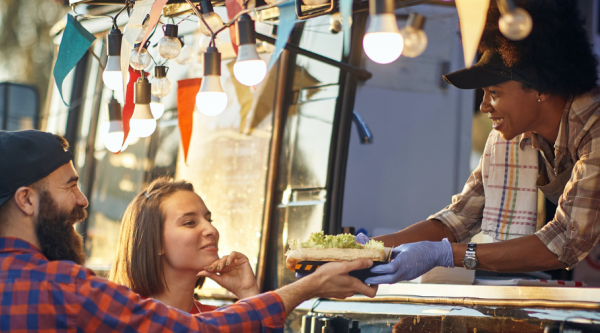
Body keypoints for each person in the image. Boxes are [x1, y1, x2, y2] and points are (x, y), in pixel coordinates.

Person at [0, 129, 377, 332]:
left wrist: (249, 295)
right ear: (26, 200)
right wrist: (308, 286)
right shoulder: (65, 289)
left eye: (208, 218)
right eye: (69, 185)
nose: (83, 201)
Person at [363, 0, 600, 285]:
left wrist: (446, 254)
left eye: (494, 92)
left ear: (542, 88)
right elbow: (458, 220)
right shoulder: (510, 138)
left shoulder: (595, 126)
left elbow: (564, 241)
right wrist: (365, 249)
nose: (485, 106)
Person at [109, 177, 260, 313]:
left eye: (209, 220)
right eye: (190, 223)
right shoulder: (120, 318)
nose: (212, 230)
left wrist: (248, 294)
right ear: (154, 243)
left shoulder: (218, 320)